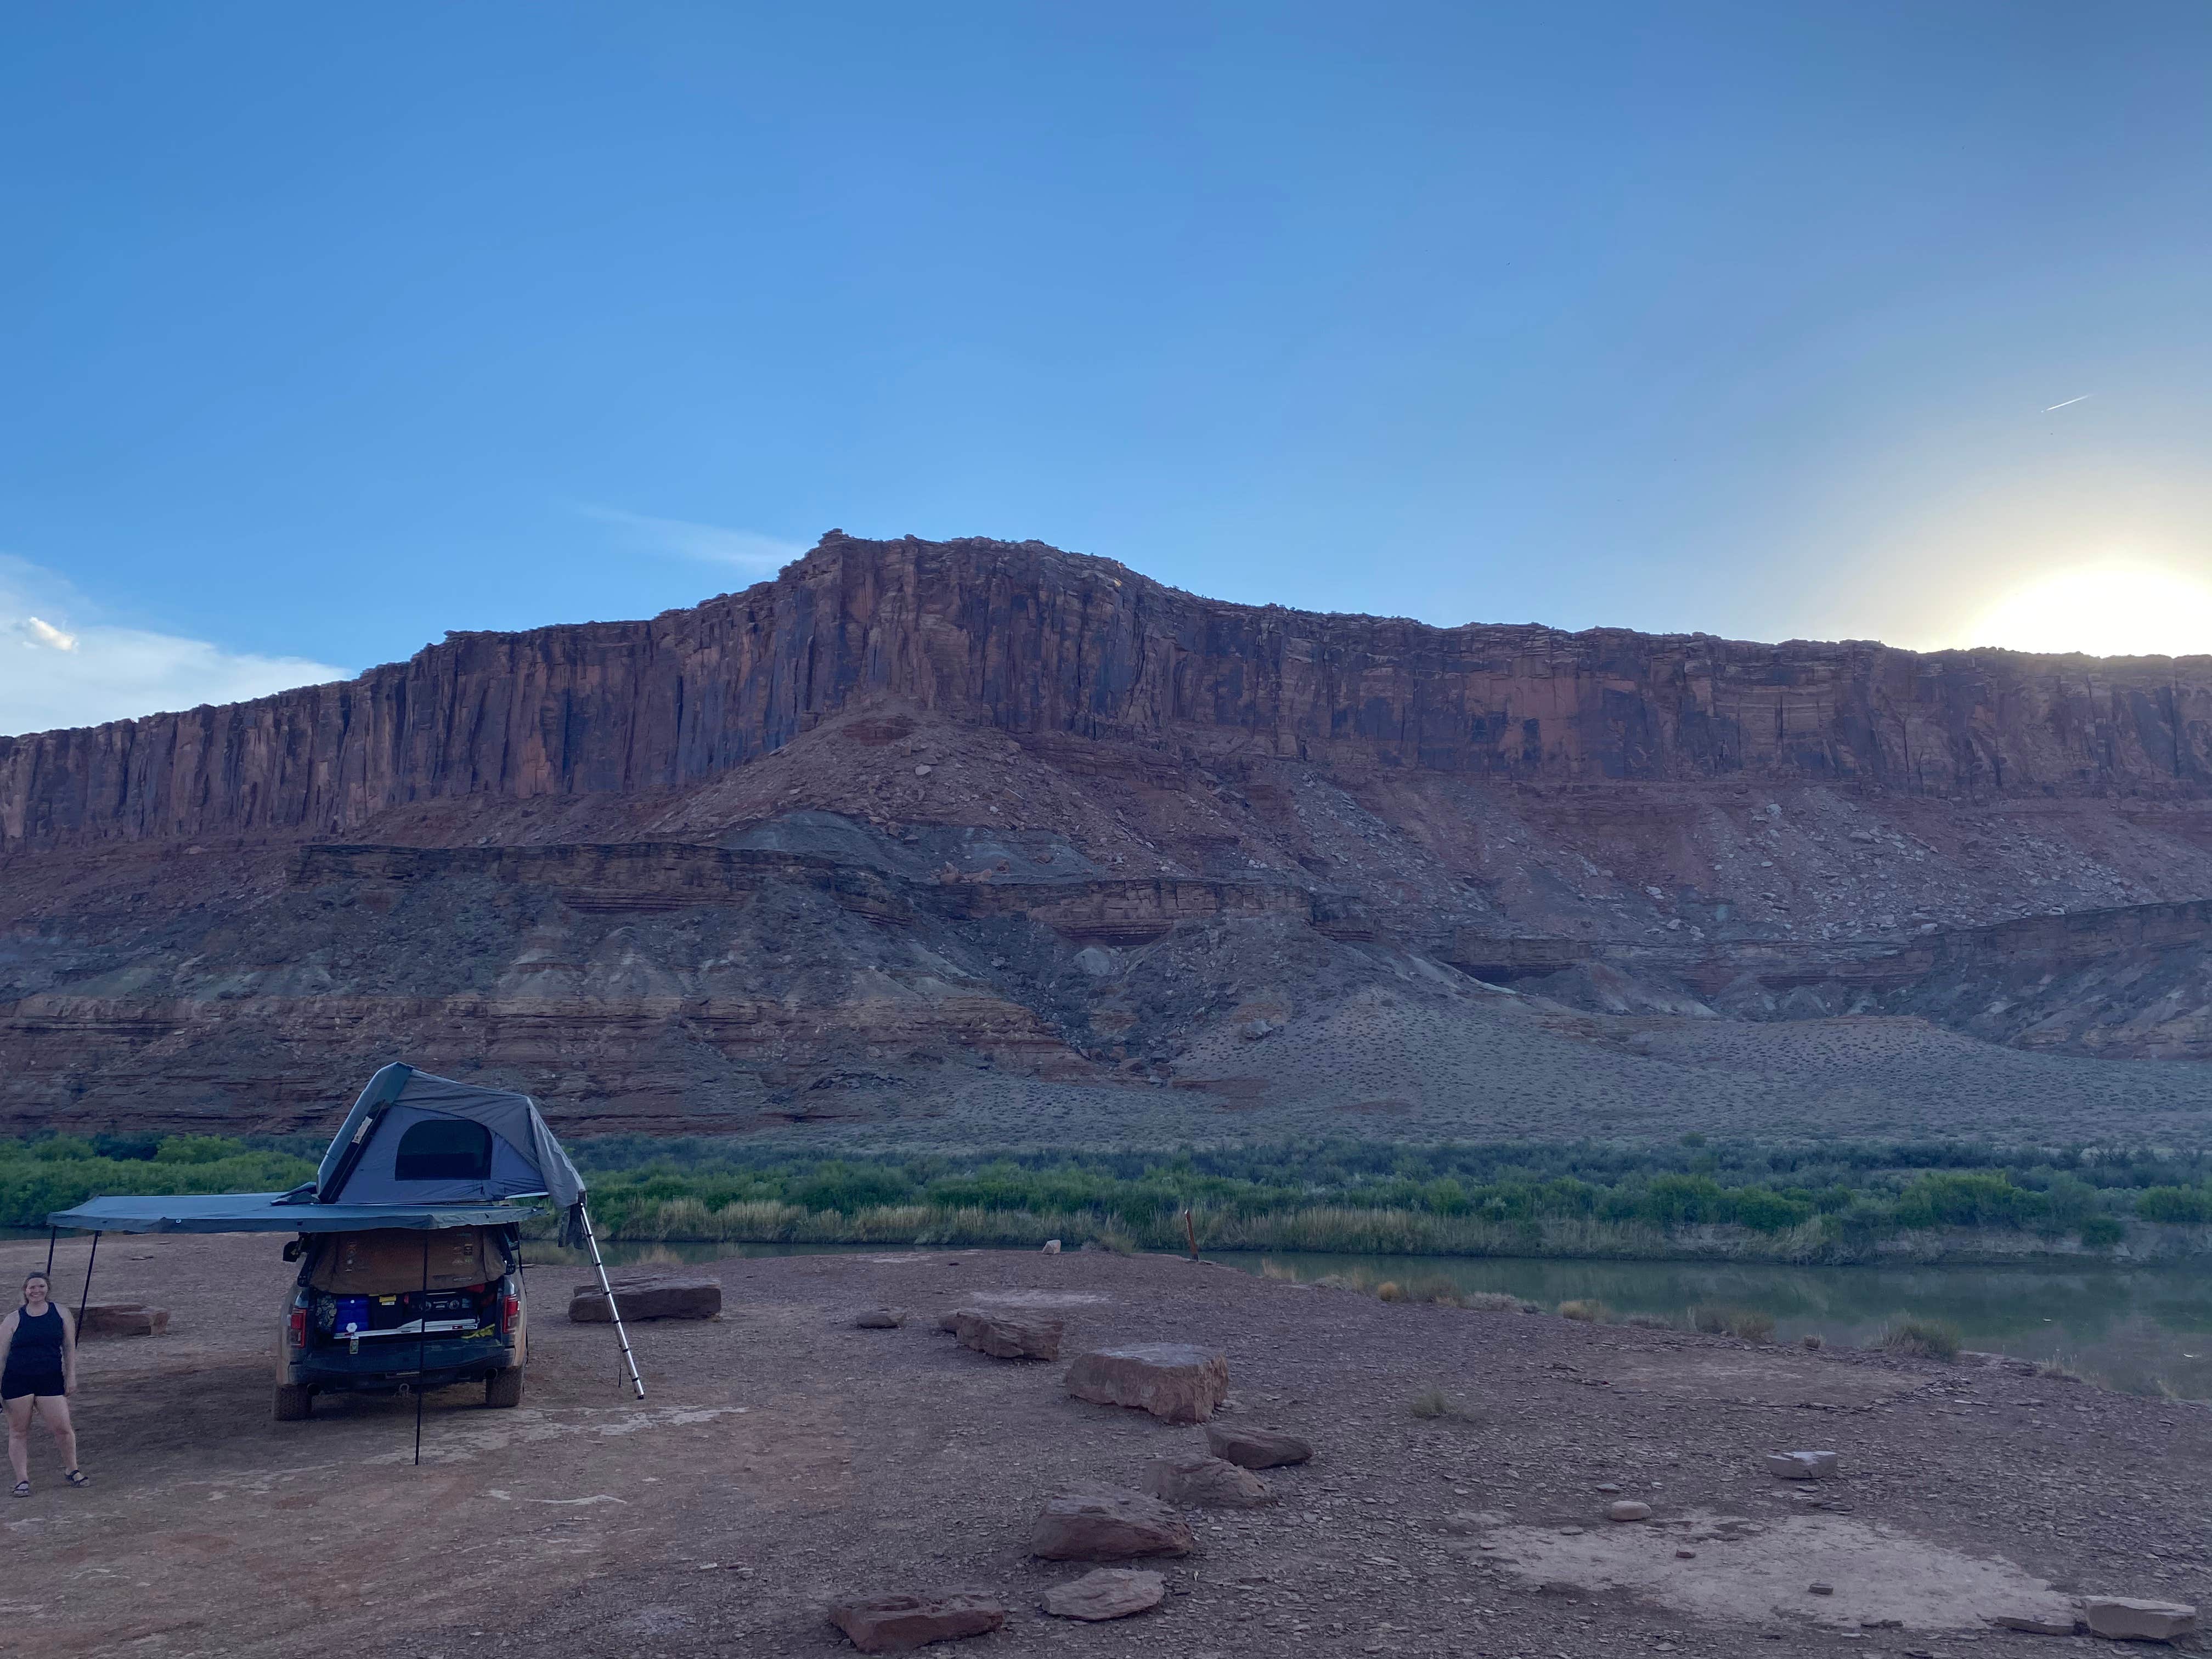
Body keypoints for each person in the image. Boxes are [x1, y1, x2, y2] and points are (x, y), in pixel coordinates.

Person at [0, 1273, 84, 1495]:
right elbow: (1, 1356)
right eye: (31, 1287)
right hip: (17, 1381)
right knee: (19, 1431)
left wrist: (72, 1375)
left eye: (40, 1286)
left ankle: (72, 1469)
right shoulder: (13, 1319)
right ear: (25, 1290)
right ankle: (22, 1480)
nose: (36, 1291)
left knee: (63, 1429)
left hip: (51, 1379)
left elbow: (69, 1346)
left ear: (48, 1288)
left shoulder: (61, 1313)